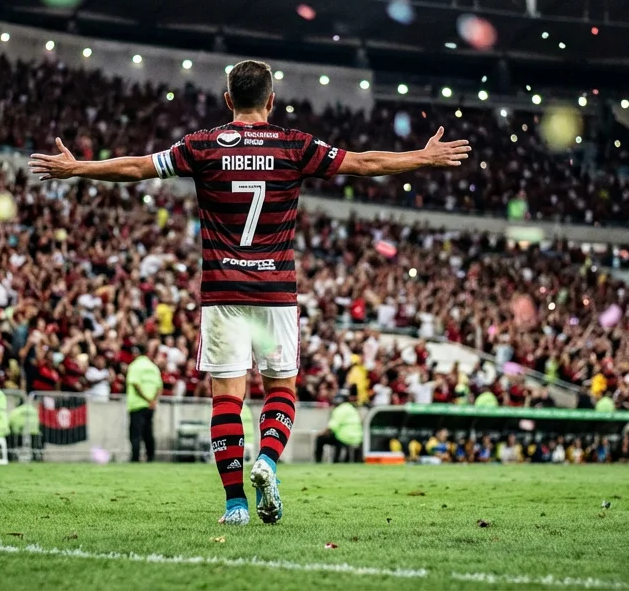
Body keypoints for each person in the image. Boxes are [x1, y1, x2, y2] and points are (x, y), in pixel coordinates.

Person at [30, 59, 469, 525]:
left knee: (227, 399)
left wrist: (77, 168)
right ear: (271, 100)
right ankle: (268, 461)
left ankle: (235, 505)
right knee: (281, 389)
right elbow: (364, 163)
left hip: (222, 292)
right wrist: (423, 157)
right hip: (276, 291)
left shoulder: (201, 146)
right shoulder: (294, 145)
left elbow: (139, 167)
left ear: (228, 100)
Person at [126, 345, 162, 463]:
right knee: (148, 433)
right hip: (150, 406)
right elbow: (159, 386)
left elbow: (135, 384)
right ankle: (150, 457)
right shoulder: (153, 367)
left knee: (135, 434)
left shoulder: (135, 366)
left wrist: (146, 399)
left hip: (137, 404)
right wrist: (153, 401)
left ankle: (135, 458)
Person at [315, 392, 363, 463]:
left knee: (320, 439)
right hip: (357, 438)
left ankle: (319, 461)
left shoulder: (339, 409)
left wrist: (321, 434)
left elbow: (331, 427)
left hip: (343, 438)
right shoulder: (352, 409)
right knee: (337, 440)